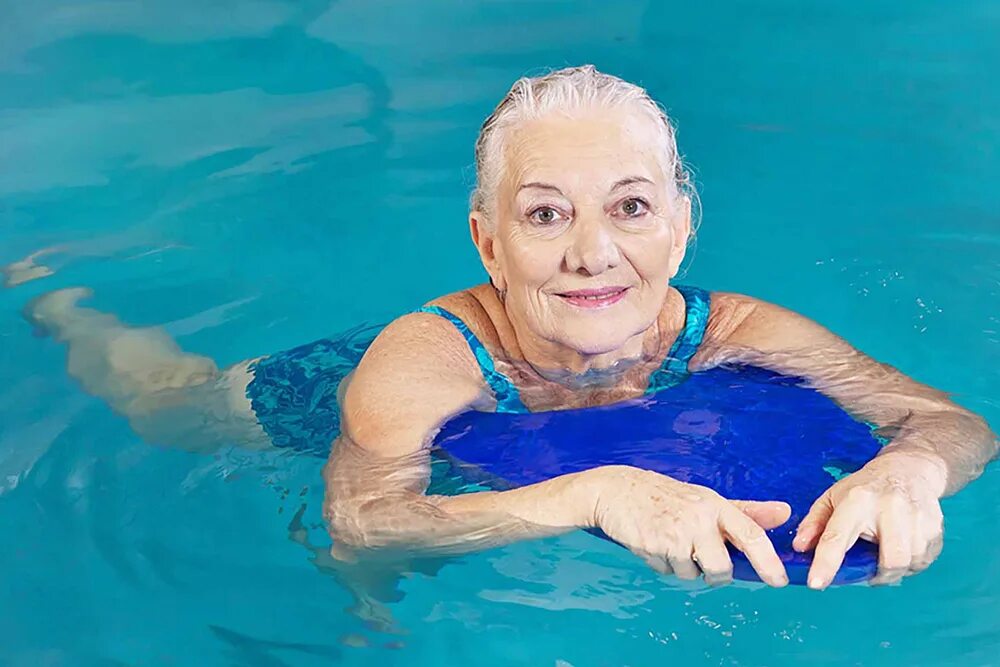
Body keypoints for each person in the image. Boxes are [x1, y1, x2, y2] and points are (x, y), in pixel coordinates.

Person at [20, 66, 996, 591]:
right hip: (378, 391)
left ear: (680, 224)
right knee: (170, 406)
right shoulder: (415, 361)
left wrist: (902, 470)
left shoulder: (738, 330)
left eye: (628, 207)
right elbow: (361, 526)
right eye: (542, 214)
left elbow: (953, 424)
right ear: (488, 244)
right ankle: (50, 295)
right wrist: (594, 492)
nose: (591, 254)